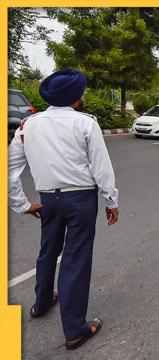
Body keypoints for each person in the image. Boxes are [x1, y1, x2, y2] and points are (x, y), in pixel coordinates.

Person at [8, 69, 119, 350]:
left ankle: (42, 302)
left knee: (48, 250)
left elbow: (9, 169)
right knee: (75, 260)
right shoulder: (86, 124)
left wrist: (22, 204)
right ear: (75, 97)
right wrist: (111, 200)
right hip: (80, 200)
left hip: (48, 200)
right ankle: (75, 329)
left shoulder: (28, 125)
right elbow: (101, 167)